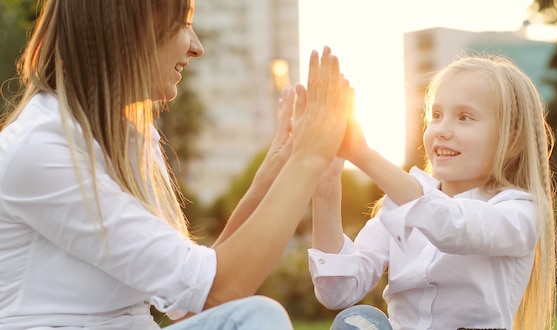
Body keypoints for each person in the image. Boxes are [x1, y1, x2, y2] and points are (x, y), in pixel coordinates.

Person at [0, 0, 353, 329]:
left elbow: (192, 300)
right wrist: (308, 159)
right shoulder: (40, 149)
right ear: (130, 29)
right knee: (256, 319)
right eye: (183, 24)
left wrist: (273, 172)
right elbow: (220, 288)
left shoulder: (131, 140)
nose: (197, 47)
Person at [309, 55, 557, 330]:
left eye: (464, 117)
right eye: (436, 115)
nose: (441, 130)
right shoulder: (399, 203)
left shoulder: (519, 212)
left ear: (511, 140)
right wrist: (326, 185)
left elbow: (454, 226)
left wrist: (363, 155)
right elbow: (338, 290)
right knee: (356, 323)